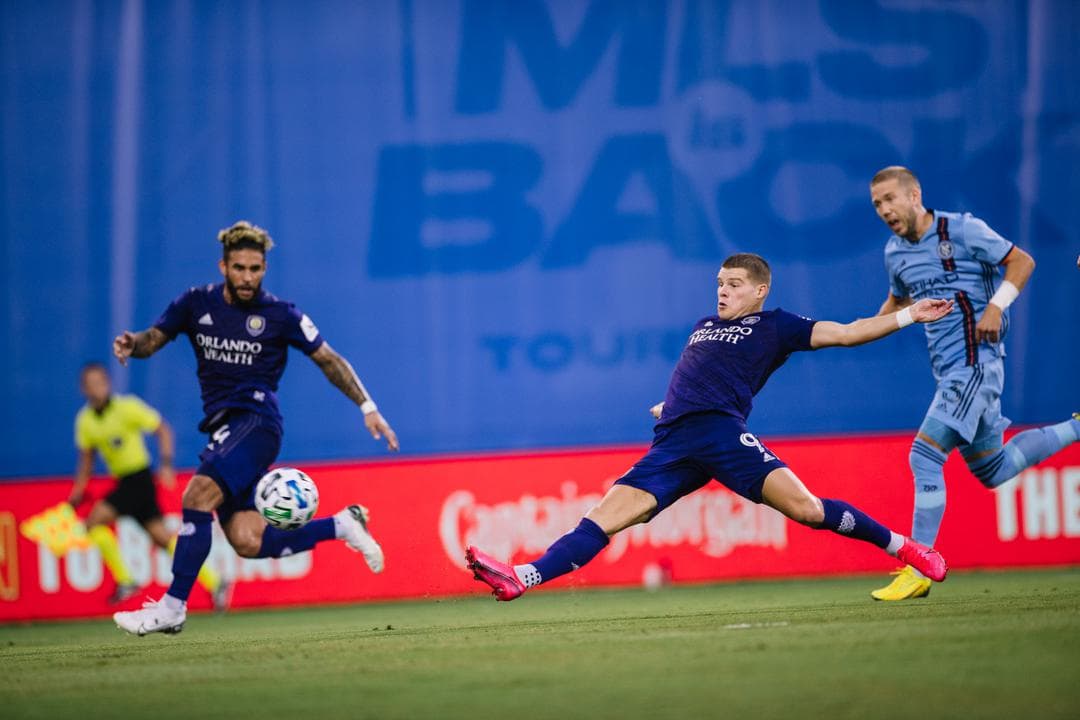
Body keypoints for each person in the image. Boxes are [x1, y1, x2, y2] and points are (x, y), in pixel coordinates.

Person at [467, 253, 953, 602]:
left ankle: (908, 549)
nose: (723, 289)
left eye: (735, 283)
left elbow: (848, 333)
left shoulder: (777, 326)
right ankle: (521, 577)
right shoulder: (703, 325)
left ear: (760, 290)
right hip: (673, 443)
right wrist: (671, 405)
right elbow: (699, 375)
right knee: (601, 519)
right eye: (720, 282)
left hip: (722, 434)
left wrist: (911, 313)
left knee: (806, 510)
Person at [112, 221, 399, 635]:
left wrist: (367, 406)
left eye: (256, 269)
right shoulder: (195, 303)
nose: (248, 277)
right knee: (247, 539)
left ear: (264, 268)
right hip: (223, 430)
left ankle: (173, 607)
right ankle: (342, 525)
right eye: (240, 268)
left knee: (197, 495)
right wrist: (132, 344)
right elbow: (155, 338)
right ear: (223, 266)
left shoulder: (281, 314)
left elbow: (330, 360)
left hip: (257, 421)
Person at [868, 166, 1079, 601]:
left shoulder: (960, 229)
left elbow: (1022, 261)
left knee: (924, 456)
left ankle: (920, 565)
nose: (885, 210)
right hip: (951, 371)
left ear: (914, 195)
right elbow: (897, 301)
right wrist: (859, 330)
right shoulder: (895, 253)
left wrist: (997, 307)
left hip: (976, 363)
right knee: (993, 469)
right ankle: (1077, 428)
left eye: (891, 199)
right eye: (877, 204)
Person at [72, 362, 229, 607]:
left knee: (93, 522)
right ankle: (216, 581)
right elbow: (87, 460)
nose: (96, 389)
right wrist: (78, 490)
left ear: (108, 383)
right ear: (83, 389)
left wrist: (166, 463)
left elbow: (163, 429)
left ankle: (126, 579)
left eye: (100, 383)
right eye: (90, 385)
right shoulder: (85, 421)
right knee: (162, 538)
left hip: (139, 479)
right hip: (124, 481)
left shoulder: (127, 407)